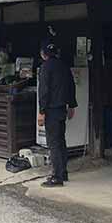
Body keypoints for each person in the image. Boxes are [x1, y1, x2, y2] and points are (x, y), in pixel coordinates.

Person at [37, 43, 77, 187]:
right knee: (61, 141)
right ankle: (63, 172)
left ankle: (56, 177)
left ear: (43, 54)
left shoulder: (45, 67)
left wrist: (41, 111)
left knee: (53, 143)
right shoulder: (64, 66)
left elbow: (44, 91)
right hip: (62, 109)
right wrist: (72, 105)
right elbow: (71, 86)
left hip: (51, 110)